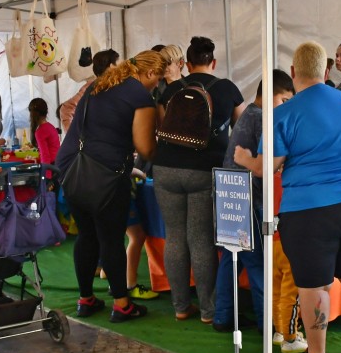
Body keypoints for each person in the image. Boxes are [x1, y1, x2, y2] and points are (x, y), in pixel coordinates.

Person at [236, 41, 341, 353]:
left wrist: (246, 159)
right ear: (328, 69)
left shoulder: (282, 114)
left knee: (312, 285)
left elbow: (268, 166)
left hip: (310, 209)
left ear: (293, 72)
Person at [57, 51, 165, 323]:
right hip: (104, 175)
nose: (157, 85)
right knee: (111, 238)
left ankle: (86, 299)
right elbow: (144, 147)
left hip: (71, 170)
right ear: (150, 74)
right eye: (158, 79)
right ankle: (121, 304)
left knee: (86, 235)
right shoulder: (140, 96)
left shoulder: (99, 84)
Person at [155, 36, 244, 323]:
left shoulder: (170, 90)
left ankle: (181, 307)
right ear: (213, 62)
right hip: (205, 171)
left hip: (166, 168)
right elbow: (241, 133)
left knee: (175, 236)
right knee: (201, 238)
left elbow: (161, 127)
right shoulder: (227, 89)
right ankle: (208, 310)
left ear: (187, 64)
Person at [216, 69, 294, 333]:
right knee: (259, 264)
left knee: (230, 258)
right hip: (249, 199)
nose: (285, 107)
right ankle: (266, 324)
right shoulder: (264, 119)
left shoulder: (249, 113)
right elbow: (269, 163)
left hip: (230, 196)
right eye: (284, 101)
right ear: (270, 95)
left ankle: (223, 316)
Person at [29, 98, 60, 167]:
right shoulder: (51, 126)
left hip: (51, 166)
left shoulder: (40, 131)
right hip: (59, 163)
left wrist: (46, 175)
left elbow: (45, 155)